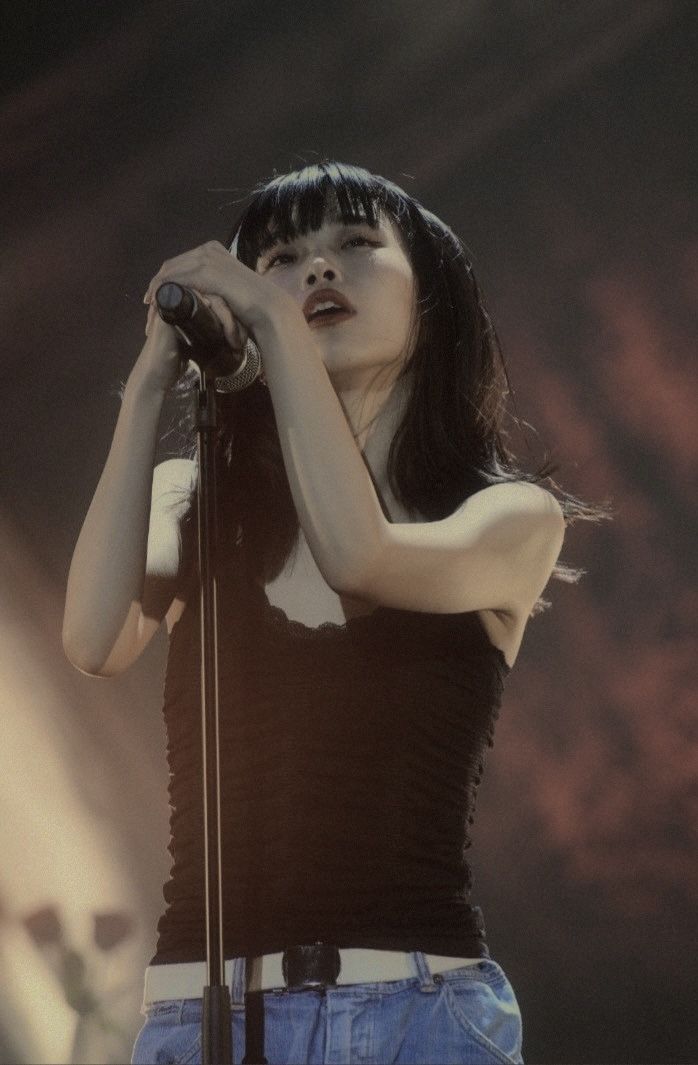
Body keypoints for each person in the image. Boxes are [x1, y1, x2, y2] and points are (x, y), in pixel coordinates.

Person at [63, 162, 610, 1065]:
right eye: (281, 258)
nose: (318, 272)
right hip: (200, 1016)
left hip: (414, 1014)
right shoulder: (189, 498)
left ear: (429, 297)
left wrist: (275, 318)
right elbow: (91, 639)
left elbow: (360, 556)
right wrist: (155, 376)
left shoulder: (508, 516)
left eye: (355, 245)